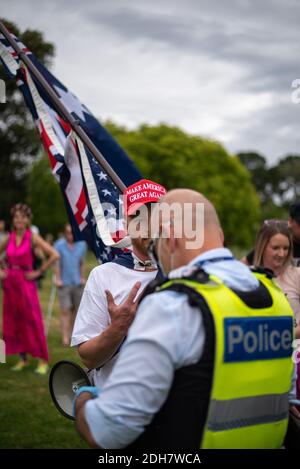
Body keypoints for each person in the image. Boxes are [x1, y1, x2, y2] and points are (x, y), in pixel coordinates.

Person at [73, 189, 294, 449]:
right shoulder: (273, 293)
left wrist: (83, 397)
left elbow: (107, 431)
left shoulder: (173, 304)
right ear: (220, 237)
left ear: (170, 238)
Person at [71, 179, 166, 387]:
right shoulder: (103, 276)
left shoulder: (184, 273)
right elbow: (88, 358)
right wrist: (117, 329)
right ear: (126, 224)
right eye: (138, 215)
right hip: (115, 400)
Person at [0, 203, 59, 374]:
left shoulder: (32, 237)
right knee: (14, 320)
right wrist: (2, 271)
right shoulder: (9, 237)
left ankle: (42, 360)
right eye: (16, 216)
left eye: (22, 216)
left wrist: (38, 272)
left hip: (26, 284)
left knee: (32, 320)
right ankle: (22, 359)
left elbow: (55, 254)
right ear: (13, 219)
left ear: (27, 219)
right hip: (10, 283)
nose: (19, 219)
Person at [54, 224, 87, 346]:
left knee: (75, 310)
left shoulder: (82, 244)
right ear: (65, 233)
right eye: (68, 233)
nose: (70, 235)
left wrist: (82, 277)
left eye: (72, 233)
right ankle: (65, 337)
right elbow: (57, 263)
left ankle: (72, 333)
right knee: (65, 310)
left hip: (77, 282)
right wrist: (57, 278)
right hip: (64, 282)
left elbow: (82, 263)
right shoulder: (59, 245)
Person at [242, 201, 300, 266]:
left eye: (285, 248)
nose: (281, 254)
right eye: (276, 248)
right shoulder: (279, 237)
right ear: (290, 221)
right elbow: (243, 264)